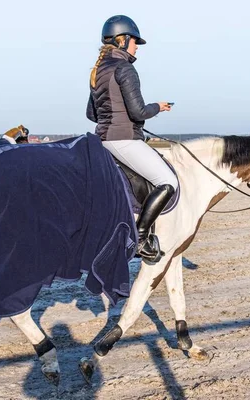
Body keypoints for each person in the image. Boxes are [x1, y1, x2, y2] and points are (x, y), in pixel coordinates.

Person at [86, 15, 178, 262]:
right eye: (135, 41)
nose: (137, 46)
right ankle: (142, 237)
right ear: (123, 40)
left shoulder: (98, 70)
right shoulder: (125, 68)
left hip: (102, 139)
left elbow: (91, 114)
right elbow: (139, 112)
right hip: (124, 139)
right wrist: (158, 107)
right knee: (168, 181)